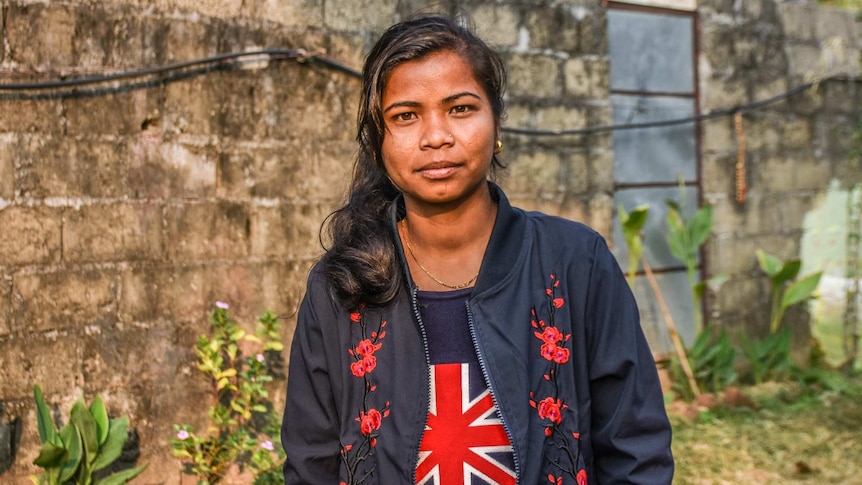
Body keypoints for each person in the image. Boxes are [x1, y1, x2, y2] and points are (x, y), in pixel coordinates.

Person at [281, 14, 673, 485]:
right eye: (405, 116)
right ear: (376, 138)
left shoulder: (575, 261)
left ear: (496, 120)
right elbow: (310, 464)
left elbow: (636, 449)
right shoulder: (338, 287)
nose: (436, 137)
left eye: (461, 108)